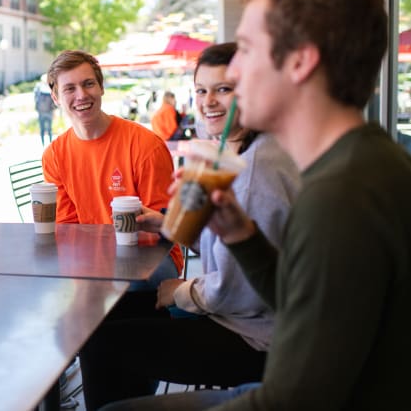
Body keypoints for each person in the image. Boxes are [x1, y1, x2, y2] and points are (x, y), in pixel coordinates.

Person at [102, 0, 411, 411]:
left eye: (246, 50)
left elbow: (295, 399)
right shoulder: (361, 161)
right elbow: (300, 302)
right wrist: (241, 236)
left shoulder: (342, 195)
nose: (235, 73)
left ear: (301, 62)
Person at [78, 43, 300, 410]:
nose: (208, 101)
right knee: (124, 313)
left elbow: (239, 289)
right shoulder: (240, 151)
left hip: (259, 341)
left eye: (223, 89)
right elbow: (234, 248)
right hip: (244, 319)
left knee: (101, 344)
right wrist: (169, 223)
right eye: (201, 90)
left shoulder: (255, 172)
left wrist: (182, 291)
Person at [42, 50, 183, 285]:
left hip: (151, 256)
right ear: (56, 97)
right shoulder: (54, 155)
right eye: (70, 88)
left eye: (88, 84)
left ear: (101, 88)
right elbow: (67, 229)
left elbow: (160, 231)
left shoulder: (145, 145)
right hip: (91, 258)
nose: (81, 95)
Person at [35, 81, 56, 146]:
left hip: (41, 113)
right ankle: (50, 143)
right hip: (49, 112)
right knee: (49, 129)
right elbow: (53, 104)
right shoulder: (49, 89)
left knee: (42, 129)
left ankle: (43, 144)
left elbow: (36, 101)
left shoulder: (39, 89)